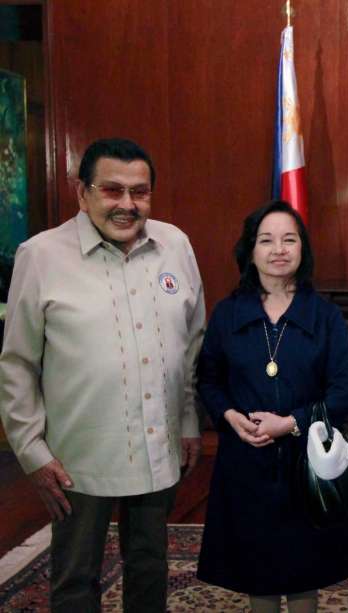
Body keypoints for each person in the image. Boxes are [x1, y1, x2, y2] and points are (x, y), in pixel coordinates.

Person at [0, 138, 205, 612]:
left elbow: (192, 343)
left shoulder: (175, 245)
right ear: (82, 193)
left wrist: (189, 421)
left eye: (140, 192)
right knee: (75, 577)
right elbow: (16, 363)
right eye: (112, 190)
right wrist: (31, 450)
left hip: (158, 448)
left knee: (150, 565)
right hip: (78, 458)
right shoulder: (41, 256)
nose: (128, 204)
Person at [195, 200, 348, 612]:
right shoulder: (228, 313)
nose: (278, 249)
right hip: (245, 460)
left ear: (303, 249)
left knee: (306, 568)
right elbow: (209, 380)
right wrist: (229, 416)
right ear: (250, 250)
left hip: (307, 463)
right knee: (257, 568)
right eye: (266, 240)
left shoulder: (323, 315)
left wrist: (291, 423)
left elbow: (344, 391)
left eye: (290, 239)